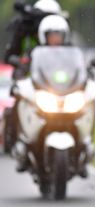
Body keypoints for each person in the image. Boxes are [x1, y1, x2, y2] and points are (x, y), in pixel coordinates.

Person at [3, 0, 64, 158]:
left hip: (53, 84)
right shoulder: (23, 33)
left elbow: (72, 59)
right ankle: (16, 139)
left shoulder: (60, 36)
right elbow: (10, 55)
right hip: (28, 80)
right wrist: (20, 64)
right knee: (18, 99)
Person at [13, 14, 70, 172]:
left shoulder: (70, 53)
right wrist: (19, 80)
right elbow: (23, 69)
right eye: (52, 35)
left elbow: (79, 72)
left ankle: (84, 146)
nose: (55, 39)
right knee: (21, 106)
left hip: (65, 95)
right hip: (40, 94)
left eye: (58, 35)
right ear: (44, 36)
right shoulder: (34, 53)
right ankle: (24, 142)